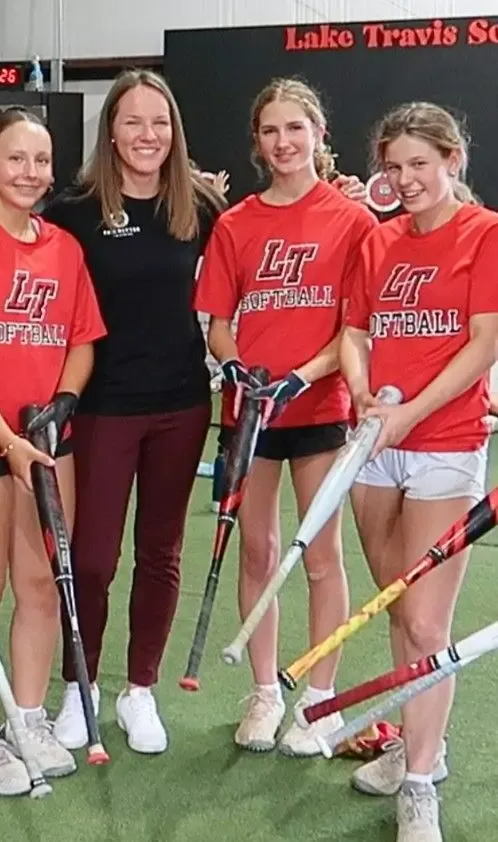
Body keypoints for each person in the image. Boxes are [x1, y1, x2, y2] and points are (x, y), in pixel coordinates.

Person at [0, 70, 368, 757]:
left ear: (175, 132)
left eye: (159, 122)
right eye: (132, 122)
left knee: (161, 554)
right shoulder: (73, 208)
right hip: (98, 408)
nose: (147, 135)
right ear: (111, 129)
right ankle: (81, 689)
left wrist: (340, 188)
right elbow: (6, 221)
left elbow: (269, 238)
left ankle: (140, 690)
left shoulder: (203, 205)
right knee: (92, 560)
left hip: (180, 406)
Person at [195, 77, 377, 756]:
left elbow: (354, 328)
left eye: (295, 129)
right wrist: (237, 365)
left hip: (321, 408)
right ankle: (266, 691)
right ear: (257, 141)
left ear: (318, 134)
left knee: (322, 556)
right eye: (270, 131)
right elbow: (216, 322)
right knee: (259, 551)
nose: (283, 142)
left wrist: (303, 375)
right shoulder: (237, 224)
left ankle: (321, 697)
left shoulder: (352, 220)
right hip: (250, 413)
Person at [0, 106, 107, 794]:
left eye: (41, 161)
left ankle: (26, 718)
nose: (30, 173)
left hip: (47, 444)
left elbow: (81, 340)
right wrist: (4, 439)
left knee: (39, 583)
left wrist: (62, 402)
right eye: (16, 159)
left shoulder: (64, 249)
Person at [340, 101, 498, 842]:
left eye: (419, 165)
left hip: (445, 443)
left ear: (451, 161)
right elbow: (354, 331)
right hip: (378, 443)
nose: (405, 179)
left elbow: (481, 345)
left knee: (427, 618)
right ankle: (411, 740)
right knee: (397, 608)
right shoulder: (378, 242)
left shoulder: (485, 234)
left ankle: (421, 781)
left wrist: (412, 413)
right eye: (393, 167)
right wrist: (365, 394)